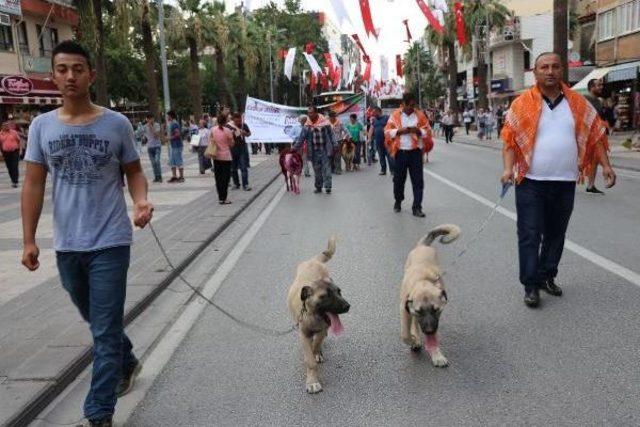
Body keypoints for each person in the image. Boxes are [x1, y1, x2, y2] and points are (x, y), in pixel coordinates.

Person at [21, 40, 153, 427]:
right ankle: (126, 360)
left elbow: (133, 171)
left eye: (78, 69)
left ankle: (98, 414)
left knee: (104, 330)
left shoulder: (116, 123)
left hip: (111, 241)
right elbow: (32, 184)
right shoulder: (41, 127)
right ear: (53, 76)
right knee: (99, 322)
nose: (70, 76)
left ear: (90, 75)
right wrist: (29, 240)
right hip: (67, 244)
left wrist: (141, 201)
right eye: (62, 69)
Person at [500, 52, 616, 309]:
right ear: (535, 72)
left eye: (554, 66)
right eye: (544, 67)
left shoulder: (578, 103)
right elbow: (510, 138)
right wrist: (508, 169)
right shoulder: (521, 103)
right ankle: (531, 285)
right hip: (530, 181)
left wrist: (606, 166)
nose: (550, 71)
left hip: (564, 182)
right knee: (529, 234)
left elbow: (596, 135)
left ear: (561, 70)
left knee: (556, 233)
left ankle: (546, 276)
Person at [384, 93, 433, 217]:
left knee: (418, 181)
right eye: (410, 105)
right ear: (404, 104)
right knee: (398, 180)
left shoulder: (420, 115)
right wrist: (400, 131)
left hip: (416, 152)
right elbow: (387, 132)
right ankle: (398, 201)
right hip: (400, 152)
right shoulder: (395, 115)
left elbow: (427, 131)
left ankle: (417, 207)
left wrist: (417, 130)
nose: (412, 108)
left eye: (414, 105)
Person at [293, 106, 337, 194]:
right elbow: (301, 138)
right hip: (313, 151)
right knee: (317, 170)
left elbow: (331, 135)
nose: (309, 115)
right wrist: (295, 148)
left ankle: (328, 186)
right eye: (308, 113)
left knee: (327, 169)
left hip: (325, 150)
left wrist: (335, 145)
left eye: (311, 113)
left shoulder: (325, 122)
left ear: (316, 113)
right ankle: (318, 187)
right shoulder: (307, 125)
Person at [584, 78, 607, 195]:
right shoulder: (585, 99)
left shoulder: (599, 101)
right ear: (592, 87)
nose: (601, 87)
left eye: (601, 85)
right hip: (585, 135)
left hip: (597, 135)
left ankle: (591, 186)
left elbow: (600, 118)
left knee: (595, 160)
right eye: (598, 85)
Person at [209, 113, 235, 204]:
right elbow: (232, 144)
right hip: (226, 157)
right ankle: (224, 198)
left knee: (218, 178)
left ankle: (220, 197)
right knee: (225, 178)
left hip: (216, 157)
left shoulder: (213, 129)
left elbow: (211, 141)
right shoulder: (228, 131)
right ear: (225, 121)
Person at [229, 112, 252, 191]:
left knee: (243, 167)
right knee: (233, 168)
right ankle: (236, 184)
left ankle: (245, 184)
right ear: (233, 120)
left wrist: (245, 133)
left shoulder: (244, 125)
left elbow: (249, 134)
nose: (238, 122)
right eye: (237, 121)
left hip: (242, 148)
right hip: (232, 150)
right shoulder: (229, 126)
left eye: (240, 121)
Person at [369, 106, 394, 176]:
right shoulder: (374, 120)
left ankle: (392, 170)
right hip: (378, 141)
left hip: (387, 141)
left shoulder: (387, 118)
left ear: (378, 111)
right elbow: (371, 129)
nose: (373, 113)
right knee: (381, 156)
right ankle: (383, 170)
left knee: (390, 157)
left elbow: (392, 126)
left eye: (374, 112)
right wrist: (369, 138)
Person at [0, 121, 21, 187]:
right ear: (2, 127)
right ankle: (13, 180)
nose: (7, 126)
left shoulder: (14, 132)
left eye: (8, 125)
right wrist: (0, 153)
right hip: (5, 152)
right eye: (5, 125)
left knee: (14, 166)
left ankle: (15, 181)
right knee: (9, 167)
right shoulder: (0, 134)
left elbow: (18, 141)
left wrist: (20, 150)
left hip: (15, 151)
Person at [166, 110, 184, 183]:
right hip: (173, 145)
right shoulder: (172, 123)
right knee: (172, 162)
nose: (167, 117)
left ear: (170, 116)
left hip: (177, 145)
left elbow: (177, 134)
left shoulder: (174, 124)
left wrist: (169, 138)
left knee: (178, 161)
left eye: (168, 116)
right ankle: (174, 176)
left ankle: (181, 177)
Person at [144, 114, 163, 182]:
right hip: (150, 147)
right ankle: (156, 177)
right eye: (149, 119)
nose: (150, 120)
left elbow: (156, 136)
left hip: (157, 146)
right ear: (147, 119)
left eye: (151, 118)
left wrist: (151, 127)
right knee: (153, 163)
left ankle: (159, 176)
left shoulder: (157, 125)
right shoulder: (145, 126)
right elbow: (142, 134)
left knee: (157, 161)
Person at [328, 110, 347, 175]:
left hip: (338, 141)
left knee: (338, 156)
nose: (332, 118)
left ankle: (338, 169)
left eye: (333, 117)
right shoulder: (327, 123)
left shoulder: (340, 123)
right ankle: (332, 169)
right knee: (330, 156)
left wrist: (348, 136)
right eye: (331, 117)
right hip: (329, 142)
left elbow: (345, 130)